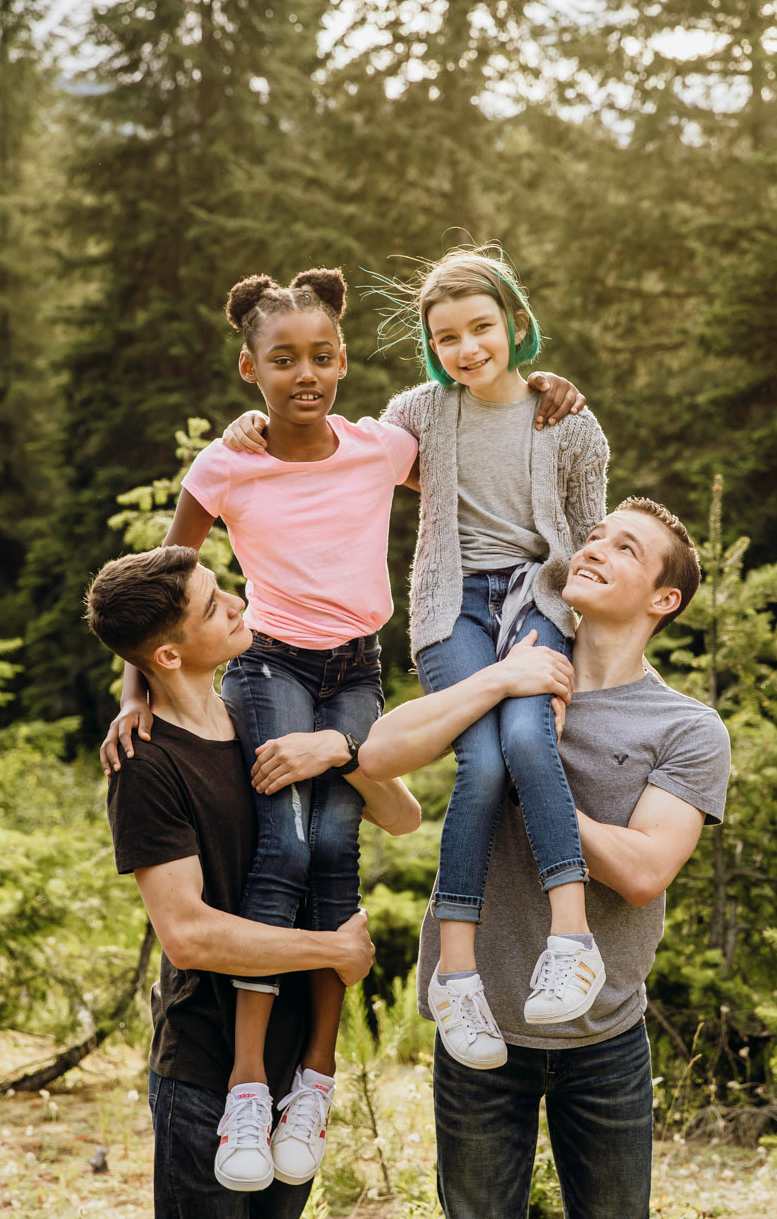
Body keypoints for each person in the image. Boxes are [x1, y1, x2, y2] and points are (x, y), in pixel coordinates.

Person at [107, 267, 589, 1186]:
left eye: (324, 356)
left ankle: (314, 1080)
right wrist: (135, 694)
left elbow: (473, 440)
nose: (307, 375)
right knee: (283, 847)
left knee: (336, 844)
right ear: (249, 368)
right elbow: (166, 583)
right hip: (269, 664)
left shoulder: (377, 447)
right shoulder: (226, 463)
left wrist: (543, 392)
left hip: (358, 667)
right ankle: (250, 1081)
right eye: (282, 359)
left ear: (342, 361)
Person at [222, 248, 611, 1073]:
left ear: (515, 323)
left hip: (536, 602)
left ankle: (572, 939)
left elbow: (588, 534)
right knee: (480, 760)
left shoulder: (568, 418)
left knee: (529, 744)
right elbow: (332, 450)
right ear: (431, 348)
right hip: (451, 606)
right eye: (448, 338)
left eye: (482, 328)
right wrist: (244, 427)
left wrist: (582, 640)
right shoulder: (422, 412)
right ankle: (457, 975)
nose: (468, 349)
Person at [354, 498, 730, 1219]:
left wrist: (539, 777)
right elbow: (378, 753)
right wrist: (500, 683)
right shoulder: (502, 671)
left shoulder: (686, 728)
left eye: (624, 548)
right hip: (480, 1022)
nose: (593, 549)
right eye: (592, 536)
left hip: (606, 1033)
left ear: (664, 598)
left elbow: (645, 869)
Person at [85, 544, 423, 1217]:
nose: (240, 603)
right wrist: (333, 950)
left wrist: (337, 749)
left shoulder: (265, 714)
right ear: (170, 655)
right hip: (206, 1070)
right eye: (215, 605)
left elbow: (402, 814)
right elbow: (187, 936)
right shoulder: (144, 764)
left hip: (296, 1073)